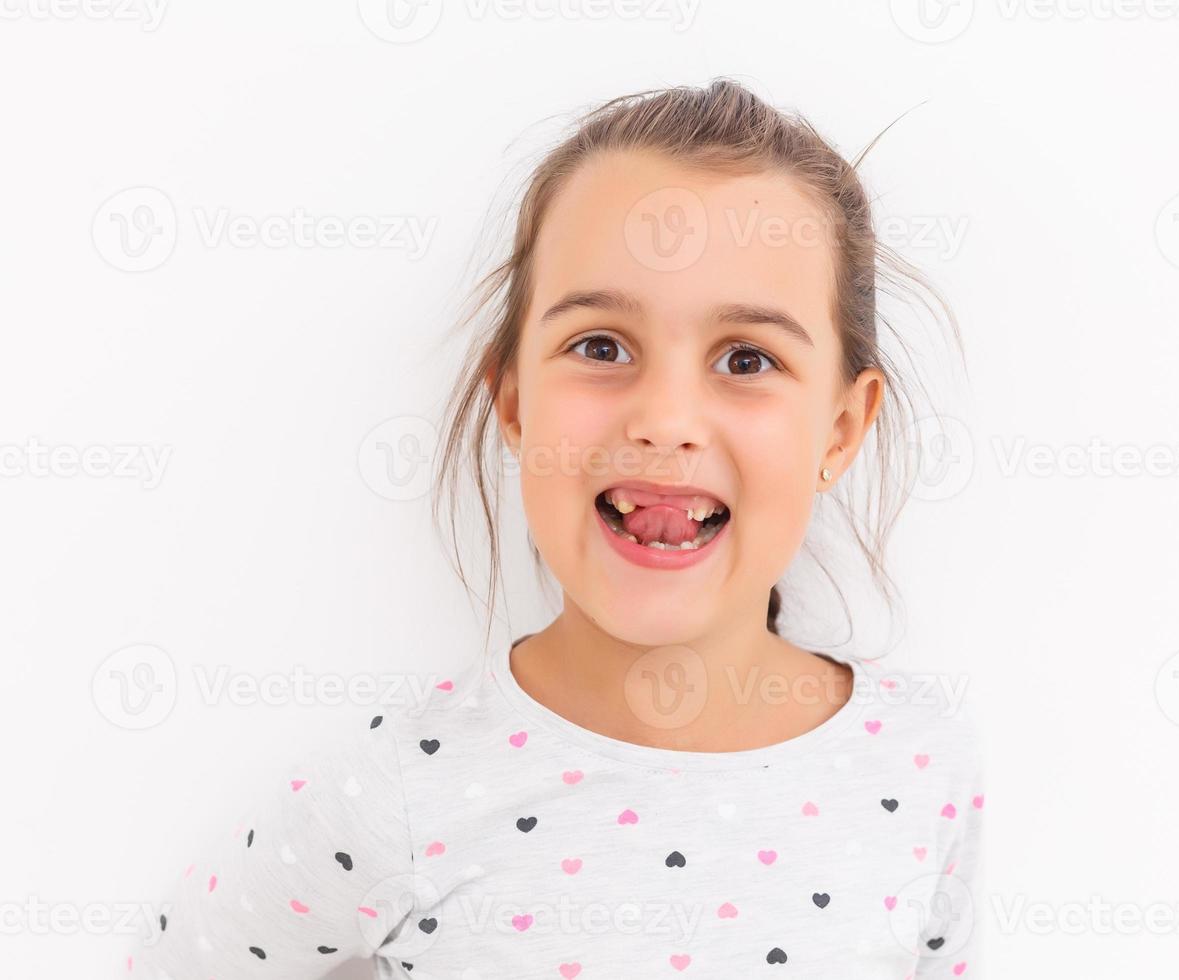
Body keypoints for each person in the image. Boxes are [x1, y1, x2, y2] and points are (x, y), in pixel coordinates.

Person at [127, 76, 983, 978]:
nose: (665, 418)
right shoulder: (394, 792)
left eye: (746, 358)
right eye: (601, 347)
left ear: (842, 428)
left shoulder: (924, 763)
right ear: (515, 401)